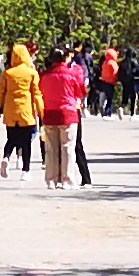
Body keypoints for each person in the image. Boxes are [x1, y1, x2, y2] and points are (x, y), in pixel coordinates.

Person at [40, 46, 88, 188]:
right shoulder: (71, 75)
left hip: (49, 113)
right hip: (68, 114)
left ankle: (51, 179)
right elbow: (81, 91)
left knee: (51, 149)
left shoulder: (45, 76)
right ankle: (67, 179)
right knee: (67, 148)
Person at [0, 43, 42, 176]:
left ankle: (6, 157)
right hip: (26, 111)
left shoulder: (7, 73)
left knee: (11, 138)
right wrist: (42, 111)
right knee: (26, 142)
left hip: (10, 110)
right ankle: (25, 171)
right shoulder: (32, 73)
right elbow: (36, 94)